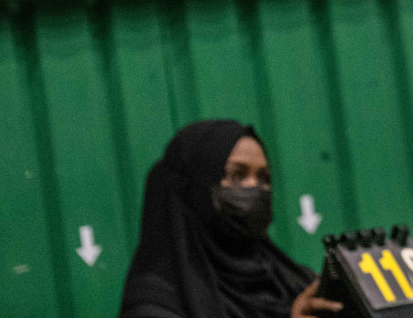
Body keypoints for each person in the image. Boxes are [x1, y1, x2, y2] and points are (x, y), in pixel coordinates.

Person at [120, 119, 342, 318]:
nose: (254, 188)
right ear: (193, 191)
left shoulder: (291, 282)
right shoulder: (155, 305)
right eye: (236, 175)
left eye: (263, 178)